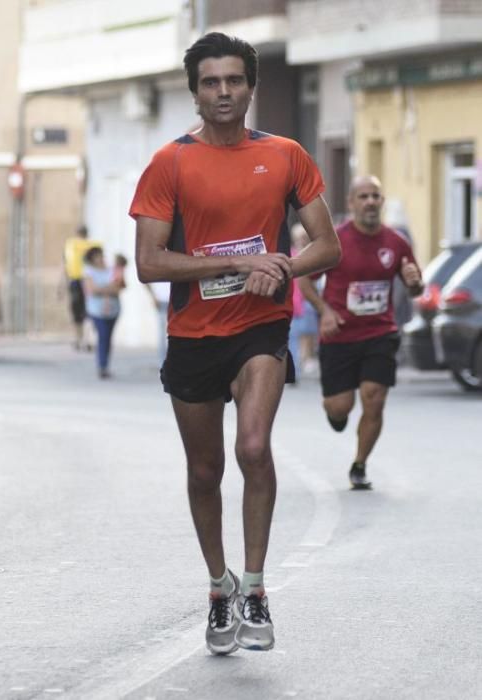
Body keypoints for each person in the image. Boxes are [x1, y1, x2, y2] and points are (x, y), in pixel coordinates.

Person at [129, 32, 341, 655]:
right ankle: (219, 591)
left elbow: (325, 244)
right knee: (204, 470)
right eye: (210, 82)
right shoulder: (169, 163)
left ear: (251, 86)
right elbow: (149, 262)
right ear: (195, 91)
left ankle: (255, 587)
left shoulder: (286, 155)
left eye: (234, 81)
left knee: (253, 447)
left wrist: (278, 268)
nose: (223, 92)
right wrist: (224, 266)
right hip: (194, 331)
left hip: (260, 325)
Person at [298, 176, 423, 490]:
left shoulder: (396, 243)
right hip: (339, 335)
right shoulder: (334, 241)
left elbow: (415, 287)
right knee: (340, 407)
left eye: (375, 196)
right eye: (363, 196)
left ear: (381, 202)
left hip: (380, 333)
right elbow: (303, 279)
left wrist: (414, 282)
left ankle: (359, 464)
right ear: (351, 203)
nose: (370, 202)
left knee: (374, 397)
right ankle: (337, 415)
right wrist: (324, 311)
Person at [82, 246, 124, 379]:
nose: (101, 258)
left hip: (113, 309)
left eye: (101, 255)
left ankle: (105, 364)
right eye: (97, 256)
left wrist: (103, 289)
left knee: (108, 338)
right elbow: (92, 289)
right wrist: (109, 288)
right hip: (96, 310)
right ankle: (102, 366)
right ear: (92, 259)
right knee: (103, 336)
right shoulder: (89, 271)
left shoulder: (112, 270)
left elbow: (118, 288)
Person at [288, 223, 320, 380]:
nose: (301, 240)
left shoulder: (313, 256)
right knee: (293, 336)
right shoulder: (290, 255)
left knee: (307, 334)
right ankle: (295, 368)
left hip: (308, 302)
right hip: (293, 303)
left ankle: (305, 360)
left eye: (304, 237)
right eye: (299, 238)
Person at [62, 225, 102, 350]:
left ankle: (78, 339)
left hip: (76, 280)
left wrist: (61, 285)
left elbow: (64, 265)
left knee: (76, 311)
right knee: (88, 311)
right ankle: (87, 339)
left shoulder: (71, 245)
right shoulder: (94, 246)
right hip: (89, 280)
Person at [144, 281, 170, 367]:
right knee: (162, 334)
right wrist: (153, 296)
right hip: (161, 301)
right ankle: (163, 362)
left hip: (173, 299)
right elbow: (145, 280)